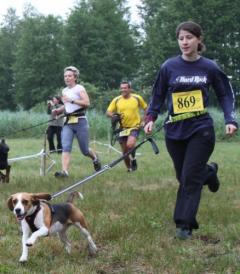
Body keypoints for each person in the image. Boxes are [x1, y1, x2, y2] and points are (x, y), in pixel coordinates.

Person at [144, 21, 238, 240]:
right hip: (174, 130)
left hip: (201, 129)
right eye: (181, 38)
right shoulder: (169, 66)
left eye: (189, 37)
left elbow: (225, 94)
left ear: (198, 40)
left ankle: (184, 224)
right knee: (184, 175)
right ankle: (209, 172)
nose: (184, 42)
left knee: (189, 178)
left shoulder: (210, 67)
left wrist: (230, 118)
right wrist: (150, 117)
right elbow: (157, 95)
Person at [53, 66, 101, 177]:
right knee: (65, 146)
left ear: (75, 77)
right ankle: (64, 172)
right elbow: (67, 106)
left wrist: (72, 100)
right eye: (65, 76)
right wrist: (58, 111)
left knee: (84, 150)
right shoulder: (64, 90)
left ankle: (95, 158)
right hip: (68, 122)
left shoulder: (79, 88)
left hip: (80, 121)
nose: (67, 78)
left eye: (69, 76)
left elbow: (87, 103)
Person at [106, 81, 147, 172]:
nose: (123, 90)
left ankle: (133, 158)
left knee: (130, 144)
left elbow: (146, 109)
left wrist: (144, 121)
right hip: (122, 128)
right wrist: (113, 116)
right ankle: (129, 168)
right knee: (124, 152)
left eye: (125, 88)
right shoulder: (116, 100)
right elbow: (108, 112)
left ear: (130, 89)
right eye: (121, 88)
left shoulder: (137, 98)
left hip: (134, 126)